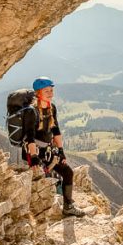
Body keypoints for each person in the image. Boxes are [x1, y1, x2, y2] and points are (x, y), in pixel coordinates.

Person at [24, 77, 85, 218]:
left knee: (68, 172)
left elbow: (56, 130)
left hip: (48, 151)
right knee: (40, 181)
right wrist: (33, 157)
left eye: (51, 90)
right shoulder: (31, 111)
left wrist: (61, 151)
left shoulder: (51, 108)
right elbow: (29, 137)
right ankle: (36, 214)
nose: (51, 93)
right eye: (47, 91)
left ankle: (68, 207)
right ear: (38, 92)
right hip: (34, 151)